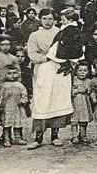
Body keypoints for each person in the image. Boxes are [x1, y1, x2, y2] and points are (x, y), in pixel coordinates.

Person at [26, 8, 68, 149]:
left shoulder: (60, 33)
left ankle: (55, 135)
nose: (47, 22)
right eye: (44, 19)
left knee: (56, 100)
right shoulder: (35, 35)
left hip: (57, 69)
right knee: (42, 101)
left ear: (54, 19)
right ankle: (38, 137)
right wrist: (46, 57)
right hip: (42, 69)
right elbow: (32, 54)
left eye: (50, 19)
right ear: (40, 19)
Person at [0, 67, 29, 146]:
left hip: (17, 107)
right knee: (7, 124)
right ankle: (6, 139)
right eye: (9, 73)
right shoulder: (4, 85)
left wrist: (22, 101)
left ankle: (18, 138)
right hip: (7, 107)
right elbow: (0, 96)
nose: (12, 75)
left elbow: (24, 94)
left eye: (14, 73)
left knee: (17, 123)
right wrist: (1, 104)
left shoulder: (19, 85)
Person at [71, 61, 94, 144]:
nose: (82, 73)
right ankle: (74, 136)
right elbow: (70, 92)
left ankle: (83, 135)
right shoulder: (73, 80)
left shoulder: (89, 81)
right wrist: (77, 90)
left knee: (84, 120)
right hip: (75, 104)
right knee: (74, 120)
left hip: (85, 104)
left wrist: (89, 92)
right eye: (80, 70)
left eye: (85, 71)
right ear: (76, 71)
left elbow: (91, 91)